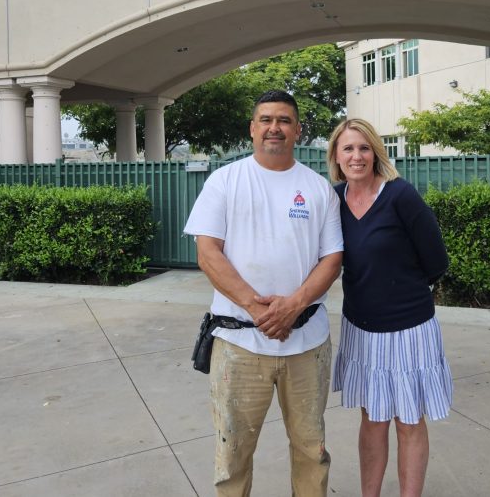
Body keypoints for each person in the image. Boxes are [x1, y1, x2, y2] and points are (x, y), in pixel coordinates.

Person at [184, 90, 344, 497]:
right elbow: (208, 253)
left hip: (306, 344)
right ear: (252, 128)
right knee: (232, 453)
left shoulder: (318, 189)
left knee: (312, 449)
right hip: (239, 344)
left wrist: (292, 306)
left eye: (285, 120)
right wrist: (259, 309)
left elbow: (332, 258)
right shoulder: (224, 181)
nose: (275, 127)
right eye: (267, 119)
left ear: (298, 131)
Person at [327, 118, 453, 497]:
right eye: (348, 148)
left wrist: (400, 293)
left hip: (409, 328)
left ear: (376, 152)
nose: (357, 156)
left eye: (364, 147)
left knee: (408, 421)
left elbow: (437, 261)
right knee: (373, 418)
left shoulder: (401, 196)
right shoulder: (332, 199)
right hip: (361, 328)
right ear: (335, 154)